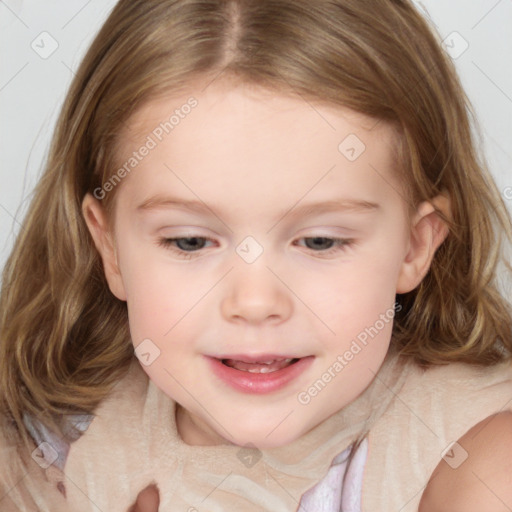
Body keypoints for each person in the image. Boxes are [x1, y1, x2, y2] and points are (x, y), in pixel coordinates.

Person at [1, 0, 511, 511]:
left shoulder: (478, 459)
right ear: (109, 247)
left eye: (320, 241)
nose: (255, 302)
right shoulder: (49, 454)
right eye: (190, 242)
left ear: (416, 244)